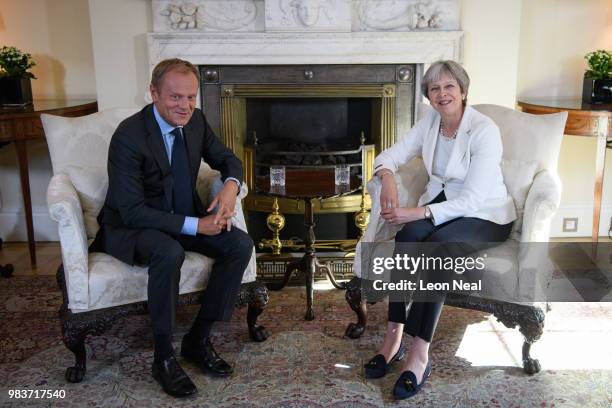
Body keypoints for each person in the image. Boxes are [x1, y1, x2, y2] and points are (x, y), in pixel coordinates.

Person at [90, 58, 254, 398]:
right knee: (168, 252)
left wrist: (231, 185)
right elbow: (132, 210)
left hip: (181, 217)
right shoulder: (129, 136)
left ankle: (197, 339)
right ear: (153, 93)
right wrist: (198, 225)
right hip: (133, 225)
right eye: (176, 97)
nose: (185, 106)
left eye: (191, 97)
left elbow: (228, 159)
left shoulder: (196, 123)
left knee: (239, 245)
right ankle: (163, 357)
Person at [363, 60, 516, 399]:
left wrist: (413, 211)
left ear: (463, 91)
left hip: (486, 215)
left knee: (439, 250)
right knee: (407, 237)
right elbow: (389, 154)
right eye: (435, 88)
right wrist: (387, 178)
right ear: (429, 96)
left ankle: (419, 353)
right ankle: (393, 336)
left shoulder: (484, 129)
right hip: (443, 204)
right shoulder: (430, 121)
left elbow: (474, 198)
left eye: (449, 87)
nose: (442, 94)